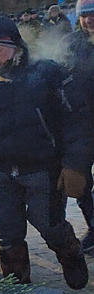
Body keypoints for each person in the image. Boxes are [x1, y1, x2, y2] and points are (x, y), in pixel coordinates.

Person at [0, 16, 91, 289]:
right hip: (0, 172)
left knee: (49, 224)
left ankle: (71, 255)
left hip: (43, 169)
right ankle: (16, 284)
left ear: (16, 46)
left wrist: (75, 165)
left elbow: (76, 122)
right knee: (7, 232)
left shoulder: (47, 74)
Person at [61, 0, 94, 253]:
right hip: (80, 125)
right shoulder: (71, 43)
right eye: (84, 15)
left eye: (93, 14)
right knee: (81, 182)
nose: (89, 19)